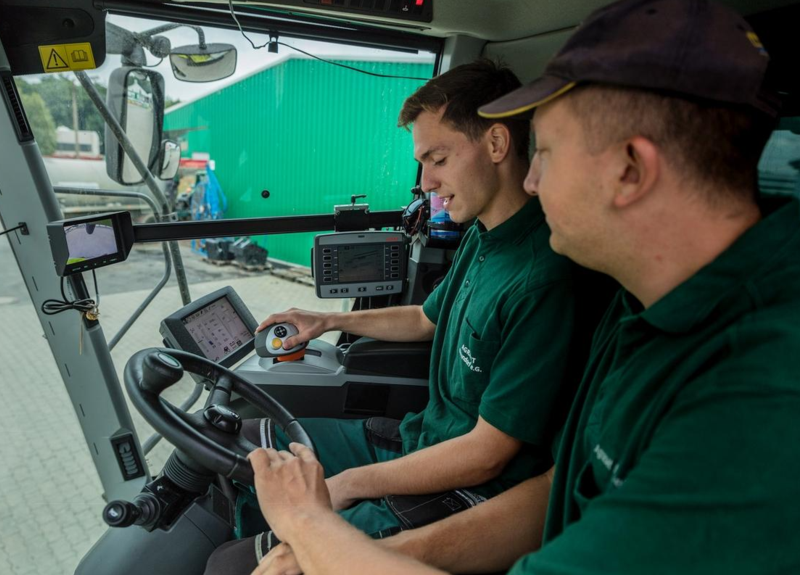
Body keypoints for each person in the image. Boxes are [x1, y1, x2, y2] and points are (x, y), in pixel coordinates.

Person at [239, 0, 800, 574]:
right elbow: (558, 486)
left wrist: (311, 528)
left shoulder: (762, 393)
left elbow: (506, 469)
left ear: (630, 169)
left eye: (548, 154)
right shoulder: (646, 304)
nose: (531, 180)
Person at [205, 60, 611, 574]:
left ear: (496, 146)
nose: (426, 182)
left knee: (230, 567)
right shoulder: (485, 235)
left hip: (470, 486)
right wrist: (327, 322)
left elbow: (487, 455)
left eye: (437, 158)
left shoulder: (542, 279)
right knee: (246, 447)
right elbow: (424, 319)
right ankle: (266, 532)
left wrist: (347, 485)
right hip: (419, 438)